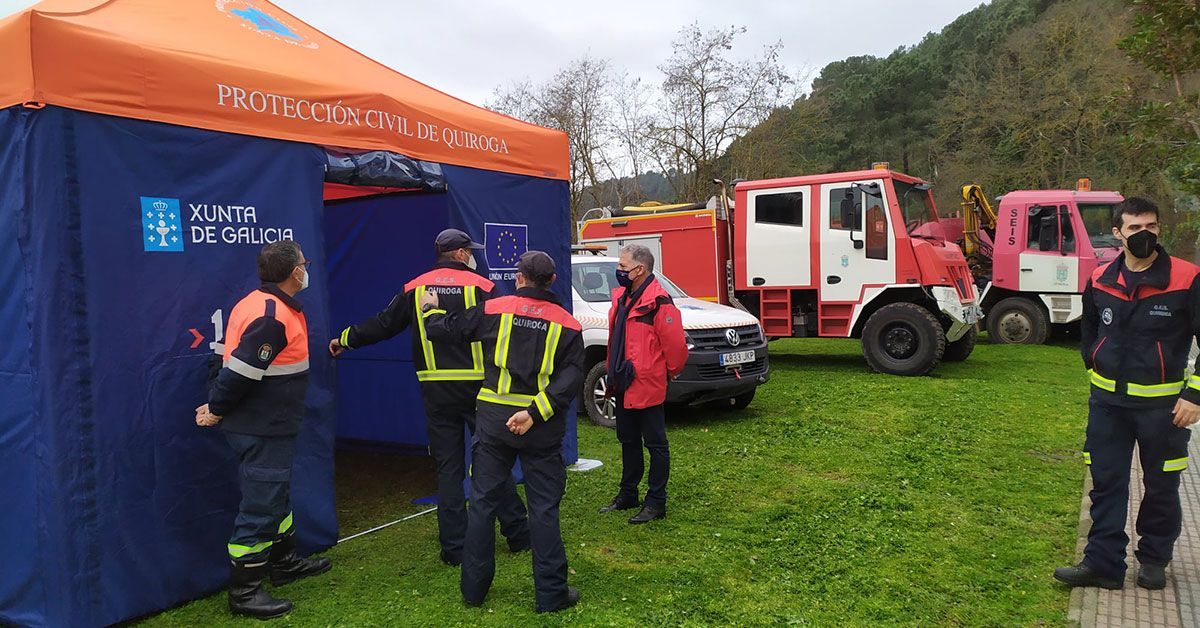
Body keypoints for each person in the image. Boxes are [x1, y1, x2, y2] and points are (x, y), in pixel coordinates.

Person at [328, 229, 529, 565]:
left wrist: (345, 339)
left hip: (436, 389)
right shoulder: (483, 287)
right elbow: (503, 330)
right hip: (480, 387)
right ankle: (518, 534)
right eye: (470, 251)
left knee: (448, 468)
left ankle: (454, 548)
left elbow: (383, 324)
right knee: (492, 462)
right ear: (462, 254)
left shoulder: (415, 286)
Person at [419, 250, 584, 613]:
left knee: (482, 505)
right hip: (539, 428)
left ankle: (473, 590)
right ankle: (551, 594)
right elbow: (571, 379)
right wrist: (534, 412)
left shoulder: (495, 309)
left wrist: (431, 307)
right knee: (543, 510)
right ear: (552, 281)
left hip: (493, 424)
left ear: (519, 278)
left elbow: (443, 331)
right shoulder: (569, 325)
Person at [1054, 197, 1200, 591]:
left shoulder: (1187, 278)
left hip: (1164, 409)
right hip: (1108, 407)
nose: (1145, 235)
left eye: (1151, 226)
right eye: (1135, 228)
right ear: (1117, 233)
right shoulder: (1100, 277)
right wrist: (1093, 361)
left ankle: (1154, 560)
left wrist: (1195, 395)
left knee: (1162, 486)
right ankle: (1103, 564)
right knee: (1106, 483)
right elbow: (1088, 331)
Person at [194, 241, 331, 620]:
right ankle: (245, 593)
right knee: (261, 505)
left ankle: (284, 564)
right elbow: (239, 372)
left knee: (277, 497)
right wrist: (216, 409)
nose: (307, 268)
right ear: (293, 273)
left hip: (272, 422)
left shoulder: (260, 302)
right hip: (261, 426)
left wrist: (217, 405)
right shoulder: (271, 315)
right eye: (305, 262)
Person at [598, 243, 688, 524]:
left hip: (646, 383)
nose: (619, 271)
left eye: (623, 267)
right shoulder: (624, 298)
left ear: (641, 269)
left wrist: (662, 374)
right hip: (623, 381)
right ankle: (628, 494)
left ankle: (656, 502)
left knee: (656, 444)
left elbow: (675, 347)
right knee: (627, 440)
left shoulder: (659, 302)